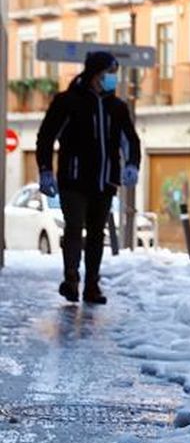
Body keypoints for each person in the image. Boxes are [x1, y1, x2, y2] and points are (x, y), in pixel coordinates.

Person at [36, 51, 141, 304]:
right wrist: (45, 170)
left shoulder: (117, 107)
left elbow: (130, 139)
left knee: (96, 232)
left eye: (114, 74)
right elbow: (46, 136)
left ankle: (92, 284)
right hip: (73, 180)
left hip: (105, 182)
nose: (113, 79)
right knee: (74, 227)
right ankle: (71, 279)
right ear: (95, 74)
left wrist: (132, 164)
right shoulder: (67, 102)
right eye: (109, 74)